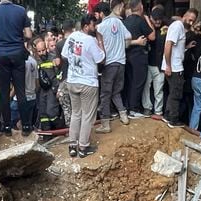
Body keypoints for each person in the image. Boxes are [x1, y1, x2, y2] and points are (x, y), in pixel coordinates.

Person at [0, 0, 33, 136]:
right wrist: (17, 37)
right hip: (18, 53)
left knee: (4, 92)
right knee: (20, 91)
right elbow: (29, 35)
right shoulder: (21, 11)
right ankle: (26, 125)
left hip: (1, 55)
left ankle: (6, 126)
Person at [61, 14, 105, 158]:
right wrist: (100, 40)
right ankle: (83, 147)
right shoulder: (91, 40)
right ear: (86, 26)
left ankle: (72, 146)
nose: (95, 27)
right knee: (87, 116)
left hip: (72, 81)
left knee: (76, 113)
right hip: (88, 83)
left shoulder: (72, 36)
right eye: (93, 25)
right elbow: (101, 59)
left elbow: (64, 55)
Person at [94, 1, 138, 134]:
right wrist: (122, 45)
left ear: (102, 13)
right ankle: (123, 115)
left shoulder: (100, 27)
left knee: (105, 94)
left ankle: (105, 124)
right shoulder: (119, 22)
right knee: (116, 91)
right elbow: (129, 37)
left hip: (109, 64)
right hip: (121, 63)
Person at [162, 8, 198, 128]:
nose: (191, 23)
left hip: (173, 65)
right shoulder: (177, 26)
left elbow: (176, 47)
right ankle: (173, 119)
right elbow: (168, 45)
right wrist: (168, 65)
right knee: (176, 93)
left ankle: (168, 116)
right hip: (174, 67)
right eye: (190, 20)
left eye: (193, 21)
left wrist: (186, 47)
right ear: (185, 15)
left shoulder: (179, 27)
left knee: (173, 92)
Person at [123, 0, 154, 119]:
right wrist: (146, 19)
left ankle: (128, 107)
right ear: (140, 7)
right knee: (138, 82)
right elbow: (152, 36)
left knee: (130, 82)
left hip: (127, 56)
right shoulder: (141, 21)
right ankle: (134, 109)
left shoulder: (125, 22)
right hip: (139, 56)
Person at [34, 38, 63, 131]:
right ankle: (47, 132)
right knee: (43, 113)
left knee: (51, 111)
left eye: (43, 50)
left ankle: (61, 128)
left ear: (46, 48)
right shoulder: (36, 61)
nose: (42, 53)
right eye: (39, 51)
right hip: (42, 90)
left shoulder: (53, 58)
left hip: (52, 89)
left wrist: (57, 89)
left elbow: (59, 74)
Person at [142, 6, 165, 117]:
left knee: (158, 90)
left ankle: (158, 111)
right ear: (151, 18)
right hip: (148, 63)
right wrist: (147, 20)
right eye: (155, 19)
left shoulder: (166, 27)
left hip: (160, 65)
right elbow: (152, 37)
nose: (157, 21)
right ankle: (147, 108)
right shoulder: (147, 27)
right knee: (146, 88)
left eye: (159, 19)